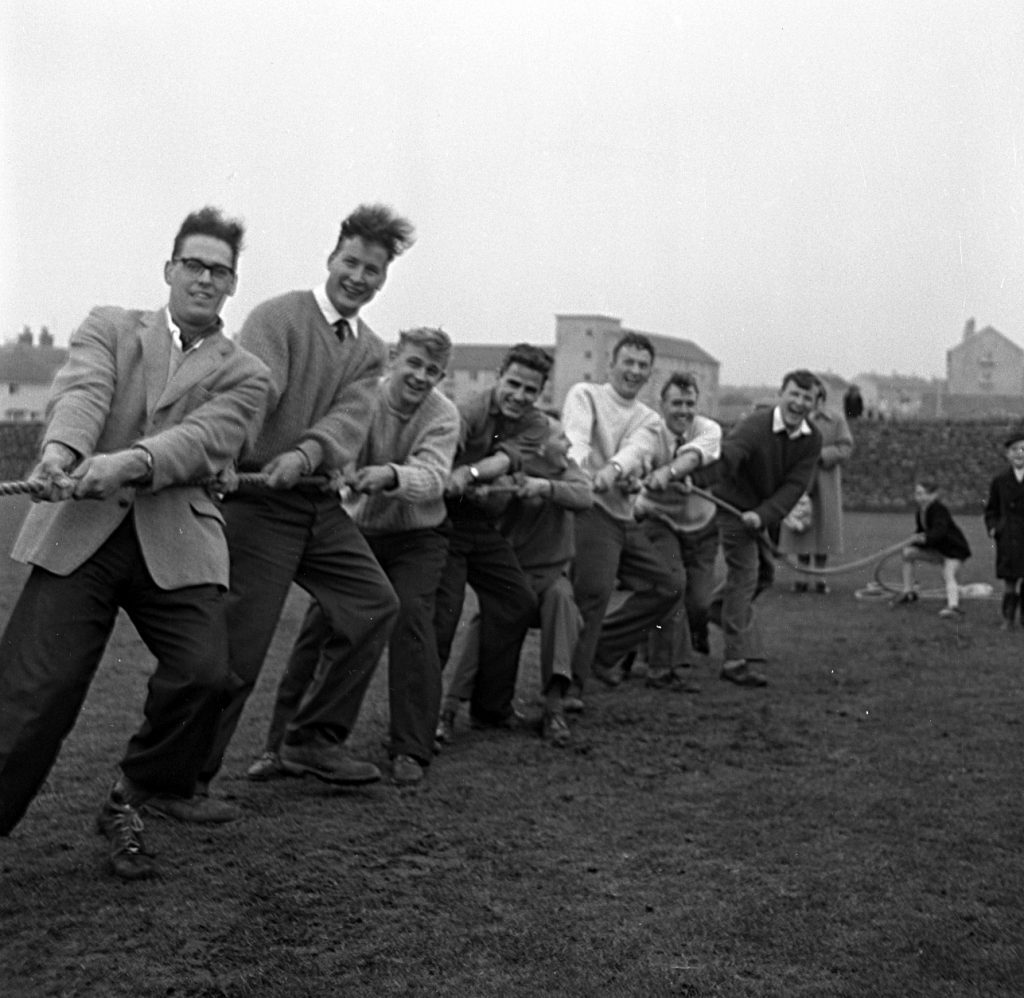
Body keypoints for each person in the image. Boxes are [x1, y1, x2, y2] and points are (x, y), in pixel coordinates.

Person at [0, 207, 271, 879]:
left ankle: (129, 793)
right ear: (169, 269)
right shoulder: (110, 327)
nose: (204, 279)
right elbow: (84, 392)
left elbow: (205, 439)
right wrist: (62, 453)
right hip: (81, 537)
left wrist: (127, 463)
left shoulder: (248, 373)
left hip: (177, 539)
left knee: (206, 676)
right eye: (193, 265)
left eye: (219, 270)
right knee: (32, 697)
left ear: (233, 284)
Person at [173, 203, 414, 817]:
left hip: (315, 502)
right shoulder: (278, 316)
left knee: (372, 605)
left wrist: (307, 455)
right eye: (352, 263)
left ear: (384, 280)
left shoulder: (369, 349)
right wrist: (234, 453)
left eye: (374, 271)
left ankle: (311, 739)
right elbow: (254, 392)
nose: (359, 277)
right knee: (240, 652)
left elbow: (352, 416)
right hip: (258, 503)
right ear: (332, 258)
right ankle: (182, 782)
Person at [246, 327, 459, 786]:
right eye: (414, 364)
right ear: (395, 359)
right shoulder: (367, 398)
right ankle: (281, 745)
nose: (421, 377)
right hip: (357, 526)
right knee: (320, 625)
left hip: (417, 535)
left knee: (411, 620)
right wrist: (342, 468)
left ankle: (410, 748)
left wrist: (390, 475)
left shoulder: (444, 415)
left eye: (433, 371)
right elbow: (339, 444)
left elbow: (434, 476)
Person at [437, 413, 592, 746]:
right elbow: (493, 504)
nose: (568, 444)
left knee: (562, 602)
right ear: (539, 445)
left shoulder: (568, 471)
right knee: (486, 622)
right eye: (561, 438)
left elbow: (585, 497)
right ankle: (448, 709)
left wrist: (547, 488)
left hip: (552, 575)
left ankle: (554, 708)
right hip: (513, 575)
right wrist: (492, 494)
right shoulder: (511, 472)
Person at [433, 344, 552, 733]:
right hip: (440, 521)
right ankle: (428, 718)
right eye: (513, 384)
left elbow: (503, 462)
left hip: (481, 525)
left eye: (530, 390)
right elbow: (437, 462)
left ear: (540, 393)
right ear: (498, 377)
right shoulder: (467, 410)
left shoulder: (537, 424)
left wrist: (470, 477)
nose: (519, 396)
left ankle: (490, 708)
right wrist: (456, 478)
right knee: (442, 619)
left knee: (515, 600)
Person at [562, 332, 680, 700]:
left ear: (649, 374)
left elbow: (635, 451)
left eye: (642, 365)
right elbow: (576, 439)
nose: (634, 370)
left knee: (668, 587)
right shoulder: (585, 395)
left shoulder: (649, 419)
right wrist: (582, 473)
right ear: (610, 365)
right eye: (627, 362)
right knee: (593, 594)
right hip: (590, 511)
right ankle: (568, 689)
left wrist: (613, 473)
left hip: (622, 516)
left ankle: (599, 651)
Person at [699, 370, 821, 687]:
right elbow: (729, 456)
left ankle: (706, 613)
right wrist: (695, 478)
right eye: (794, 394)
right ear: (781, 394)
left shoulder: (812, 439)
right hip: (732, 507)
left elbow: (795, 486)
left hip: (760, 514)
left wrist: (763, 515)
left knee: (765, 575)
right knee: (745, 575)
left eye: (807, 398)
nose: (799, 402)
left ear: (814, 403)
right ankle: (736, 660)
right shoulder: (757, 424)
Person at [633, 371, 721, 688]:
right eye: (676, 403)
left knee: (699, 602)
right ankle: (661, 667)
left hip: (701, 526)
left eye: (689, 403)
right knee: (672, 585)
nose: (683, 410)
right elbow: (637, 457)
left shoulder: (708, 429)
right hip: (658, 519)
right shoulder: (648, 431)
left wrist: (671, 472)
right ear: (662, 403)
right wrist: (641, 474)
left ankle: (639, 644)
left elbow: (697, 456)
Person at [779, 380, 854, 594]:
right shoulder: (795, 420)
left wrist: (824, 455)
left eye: (817, 398)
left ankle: (820, 578)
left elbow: (846, 446)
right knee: (800, 528)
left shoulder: (836, 420)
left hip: (826, 481)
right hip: (800, 480)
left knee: (825, 530)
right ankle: (802, 577)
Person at [895, 480, 971, 618]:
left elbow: (939, 531)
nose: (918, 497)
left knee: (948, 573)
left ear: (933, 495)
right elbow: (922, 531)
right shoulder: (921, 512)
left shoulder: (939, 509)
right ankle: (908, 593)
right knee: (907, 553)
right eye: (917, 494)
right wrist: (915, 539)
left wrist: (924, 538)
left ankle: (953, 607)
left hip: (954, 551)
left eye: (921, 494)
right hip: (938, 549)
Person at [984, 429, 1024, 629]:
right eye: (1015, 449)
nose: (1020, 453)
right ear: (1008, 454)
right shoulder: (1000, 481)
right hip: (1008, 535)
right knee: (1010, 579)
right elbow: (991, 509)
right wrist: (994, 528)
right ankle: (1007, 618)